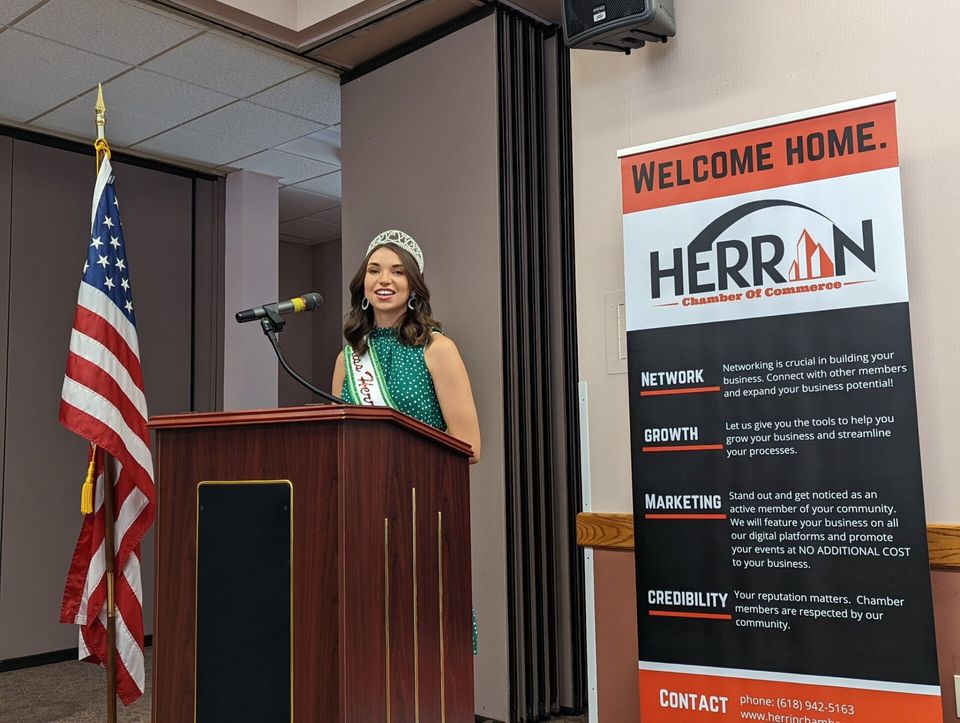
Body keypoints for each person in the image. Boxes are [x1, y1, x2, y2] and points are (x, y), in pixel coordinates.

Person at [332, 229, 481, 463]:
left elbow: (469, 447)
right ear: (364, 283)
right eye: (373, 271)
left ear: (413, 286)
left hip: (419, 488)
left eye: (398, 272)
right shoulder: (348, 358)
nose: (383, 279)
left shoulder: (437, 349)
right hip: (358, 490)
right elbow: (336, 441)